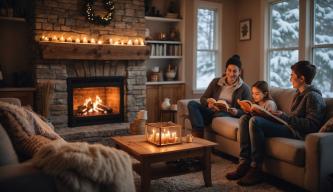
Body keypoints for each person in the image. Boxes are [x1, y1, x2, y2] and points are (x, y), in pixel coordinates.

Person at [226, 60, 326, 186]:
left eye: (292, 75)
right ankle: (244, 163)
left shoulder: (313, 96)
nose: (290, 79)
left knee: (255, 121)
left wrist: (285, 117)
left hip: (297, 132)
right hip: (289, 125)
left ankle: (256, 169)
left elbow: (312, 125)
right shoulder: (298, 93)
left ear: (302, 78)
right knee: (245, 118)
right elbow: (294, 117)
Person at [187, 54, 251, 138]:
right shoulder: (216, 82)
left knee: (197, 116)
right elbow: (203, 98)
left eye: (235, 71)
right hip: (211, 112)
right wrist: (208, 103)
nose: (231, 74)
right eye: (229, 70)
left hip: (225, 114)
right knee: (191, 104)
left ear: (239, 72)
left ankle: (198, 137)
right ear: (226, 70)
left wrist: (237, 112)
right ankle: (199, 135)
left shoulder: (244, 88)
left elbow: (248, 111)